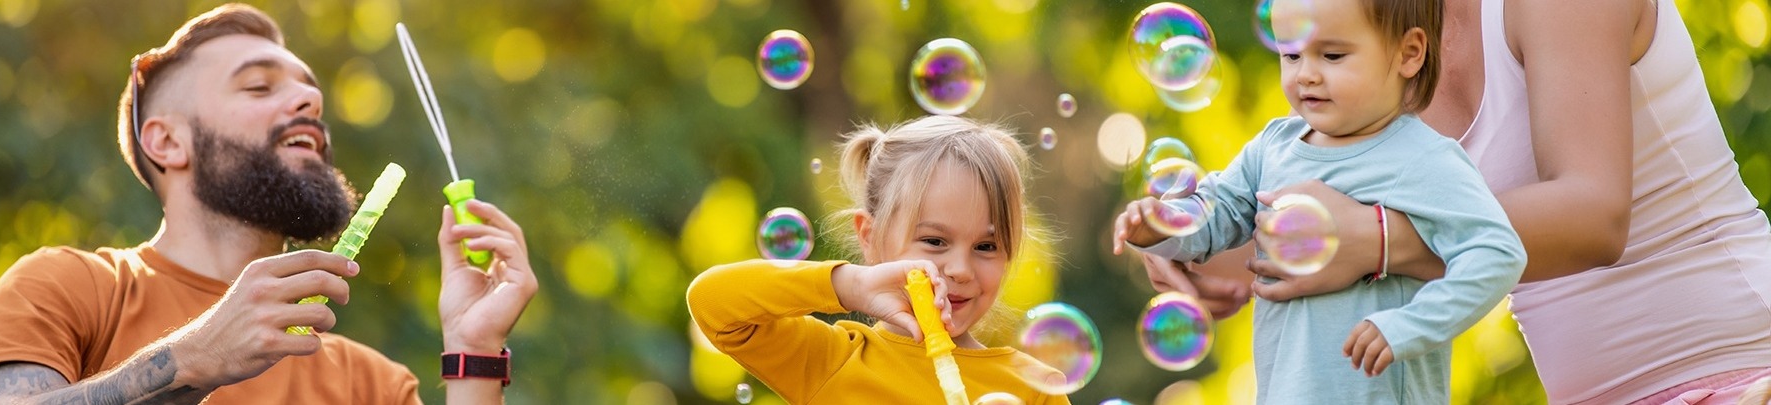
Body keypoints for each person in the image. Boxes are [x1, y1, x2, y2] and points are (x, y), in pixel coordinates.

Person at [1139, 0, 1771, 402]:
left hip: (1738, 369)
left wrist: (1379, 240)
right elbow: (1302, 230)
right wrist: (1191, 240)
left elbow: (1594, 214)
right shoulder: (1363, 42)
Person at [0, 4, 539, 403]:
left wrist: (474, 354)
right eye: (259, 85)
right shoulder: (68, 286)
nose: (310, 98)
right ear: (167, 141)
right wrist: (194, 357)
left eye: (310, 89)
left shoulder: (370, 383)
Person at [1113, 0, 1524, 401]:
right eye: (1290, 54)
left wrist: (1408, 326)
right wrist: (1163, 225)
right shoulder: (1272, 148)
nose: (1306, 75)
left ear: (1408, 53)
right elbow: (1214, 217)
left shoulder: (1424, 157)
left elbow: (1497, 252)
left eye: (1331, 54)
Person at [686, 115, 1070, 404]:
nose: (960, 270)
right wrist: (852, 286)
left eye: (986, 247)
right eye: (935, 241)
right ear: (869, 237)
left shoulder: (1037, 390)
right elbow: (711, 302)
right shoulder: (836, 360)